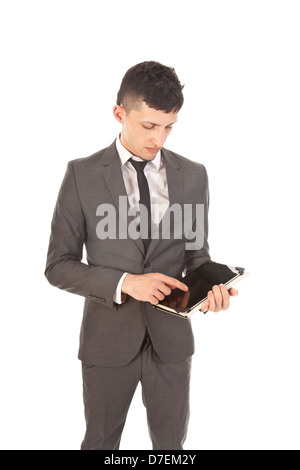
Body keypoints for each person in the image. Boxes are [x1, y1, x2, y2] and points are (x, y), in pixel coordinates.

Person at [45, 61, 238, 450]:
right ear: (120, 113)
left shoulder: (194, 174)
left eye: (169, 126)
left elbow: (196, 255)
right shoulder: (81, 175)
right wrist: (126, 283)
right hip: (107, 340)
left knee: (170, 448)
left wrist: (212, 287)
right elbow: (58, 266)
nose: (159, 139)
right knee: (100, 443)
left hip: (171, 343)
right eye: (149, 125)